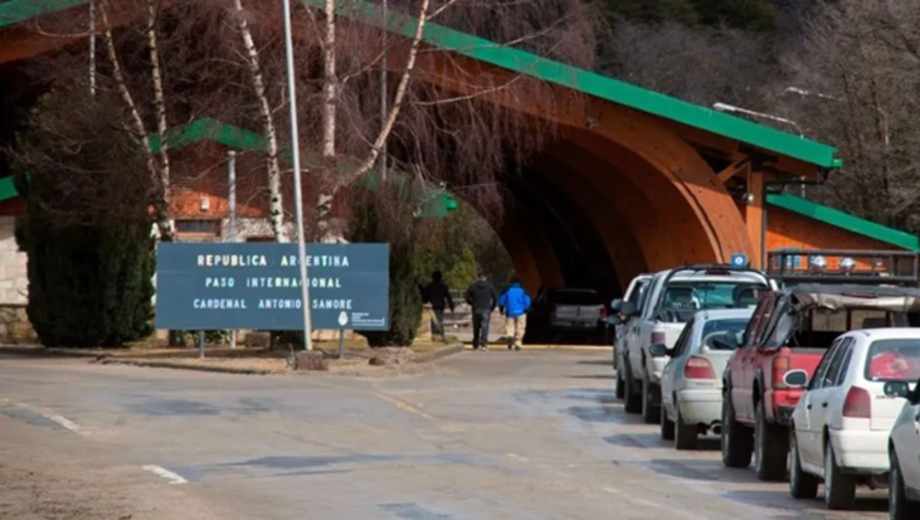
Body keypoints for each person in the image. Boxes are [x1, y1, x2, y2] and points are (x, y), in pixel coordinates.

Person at [465, 274, 497, 350]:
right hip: (486, 309)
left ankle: (475, 344)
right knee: (484, 327)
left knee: (476, 327)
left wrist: (472, 303)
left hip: (476, 308)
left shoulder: (472, 286)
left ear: (478, 278)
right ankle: (483, 344)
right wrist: (492, 308)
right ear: (485, 277)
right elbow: (495, 298)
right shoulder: (490, 286)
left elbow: (467, 297)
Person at [499, 278, 531, 351]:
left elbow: (501, 300)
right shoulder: (523, 290)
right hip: (521, 312)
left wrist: (501, 309)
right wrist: (526, 309)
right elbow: (527, 300)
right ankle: (518, 343)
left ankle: (510, 336)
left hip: (509, 312)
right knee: (520, 327)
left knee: (510, 326)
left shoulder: (506, 290)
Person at [422, 271, 454, 342]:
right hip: (440, 307)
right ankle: (441, 335)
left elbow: (424, 297)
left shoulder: (429, 286)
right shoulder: (443, 286)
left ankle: (435, 335)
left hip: (432, 306)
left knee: (433, 322)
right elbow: (448, 297)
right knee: (439, 321)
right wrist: (451, 306)